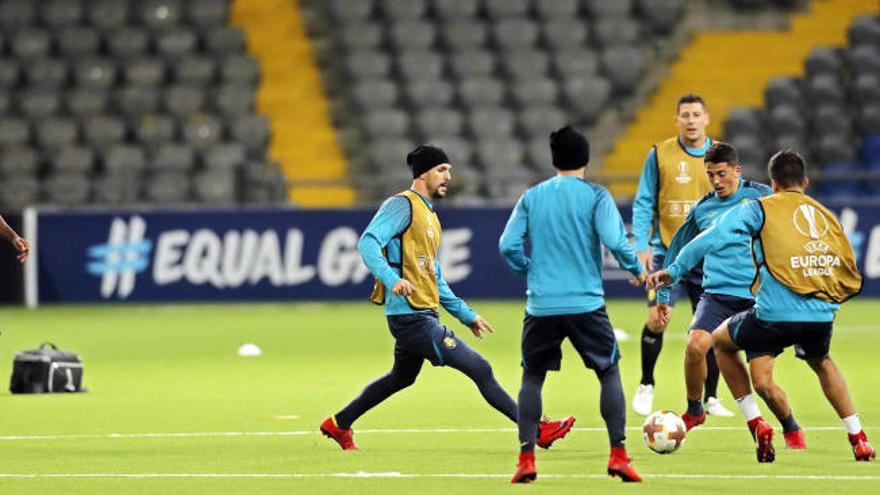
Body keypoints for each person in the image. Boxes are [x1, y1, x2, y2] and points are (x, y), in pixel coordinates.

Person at [320, 145, 574, 452]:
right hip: (411, 318)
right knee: (480, 368)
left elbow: (435, 278)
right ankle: (535, 430)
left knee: (401, 378)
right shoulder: (402, 206)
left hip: (423, 314)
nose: (448, 177)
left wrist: (467, 315)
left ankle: (339, 423)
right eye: (442, 169)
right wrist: (392, 279)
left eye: (450, 170)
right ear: (423, 173)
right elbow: (368, 242)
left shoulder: (431, 218)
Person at [651, 149, 874, 463]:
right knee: (816, 363)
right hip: (819, 312)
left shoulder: (759, 206)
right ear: (806, 182)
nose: (716, 180)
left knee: (719, 342)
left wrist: (672, 273)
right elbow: (842, 263)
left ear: (773, 184)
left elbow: (712, 236)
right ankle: (859, 438)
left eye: (722, 173)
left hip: (770, 311)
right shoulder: (823, 212)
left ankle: (757, 421)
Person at [500, 127, 645, 483]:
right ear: (586, 159)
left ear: (554, 160)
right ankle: (618, 456)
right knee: (608, 371)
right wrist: (636, 268)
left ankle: (526, 460)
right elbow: (614, 239)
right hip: (585, 303)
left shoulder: (532, 197)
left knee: (532, 377)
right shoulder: (596, 196)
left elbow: (507, 245)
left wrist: (527, 269)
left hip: (542, 305)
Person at [647, 142, 806, 449]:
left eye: (721, 174)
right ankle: (695, 410)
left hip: (758, 299)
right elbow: (679, 250)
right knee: (696, 345)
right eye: (710, 175)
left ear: (737, 171)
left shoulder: (762, 197)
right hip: (717, 296)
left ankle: (790, 426)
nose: (717, 181)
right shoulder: (703, 209)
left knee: (764, 384)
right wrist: (663, 295)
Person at [630, 94, 731, 417]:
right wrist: (642, 246)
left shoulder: (718, 156)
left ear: (706, 119)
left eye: (696, 114)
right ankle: (646, 383)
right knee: (657, 320)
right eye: (684, 114)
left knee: (710, 328)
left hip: (709, 257)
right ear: (676, 120)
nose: (690, 120)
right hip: (667, 255)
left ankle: (712, 397)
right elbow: (644, 201)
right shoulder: (659, 154)